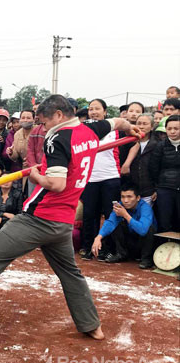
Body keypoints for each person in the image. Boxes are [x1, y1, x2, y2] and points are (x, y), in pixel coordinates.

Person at [0, 94, 142, 340]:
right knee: (70, 273)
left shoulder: (58, 137)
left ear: (60, 115)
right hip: (62, 222)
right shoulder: (90, 130)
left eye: (44, 121)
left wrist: (35, 176)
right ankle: (91, 325)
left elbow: (57, 184)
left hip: (39, 218)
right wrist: (130, 127)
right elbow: (117, 123)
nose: (42, 128)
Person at [79, 99, 122, 261]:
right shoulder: (83, 129)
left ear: (105, 111)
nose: (93, 112)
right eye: (91, 109)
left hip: (111, 177)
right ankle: (89, 247)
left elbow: (134, 144)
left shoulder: (116, 129)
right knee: (90, 214)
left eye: (97, 109)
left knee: (110, 214)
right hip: (90, 178)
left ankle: (108, 249)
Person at [91, 183, 156, 269]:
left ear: (138, 198)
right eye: (123, 197)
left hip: (143, 243)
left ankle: (146, 259)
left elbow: (143, 230)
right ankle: (122, 254)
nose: (125, 200)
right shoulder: (120, 206)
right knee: (115, 224)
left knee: (149, 228)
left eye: (129, 197)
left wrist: (125, 215)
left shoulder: (145, 207)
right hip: (130, 241)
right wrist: (98, 237)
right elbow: (110, 222)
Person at [149, 115, 180, 233]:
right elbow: (153, 168)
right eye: (169, 128)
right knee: (164, 221)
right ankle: (163, 249)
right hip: (165, 189)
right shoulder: (160, 146)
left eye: (176, 128)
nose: (172, 131)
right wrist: (157, 187)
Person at [121, 114, 157, 205]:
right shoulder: (126, 142)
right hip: (130, 191)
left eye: (145, 124)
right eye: (139, 123)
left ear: (152, 127)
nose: (141, 126)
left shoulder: (157, 144)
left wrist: (156, 189)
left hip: (149, 190)